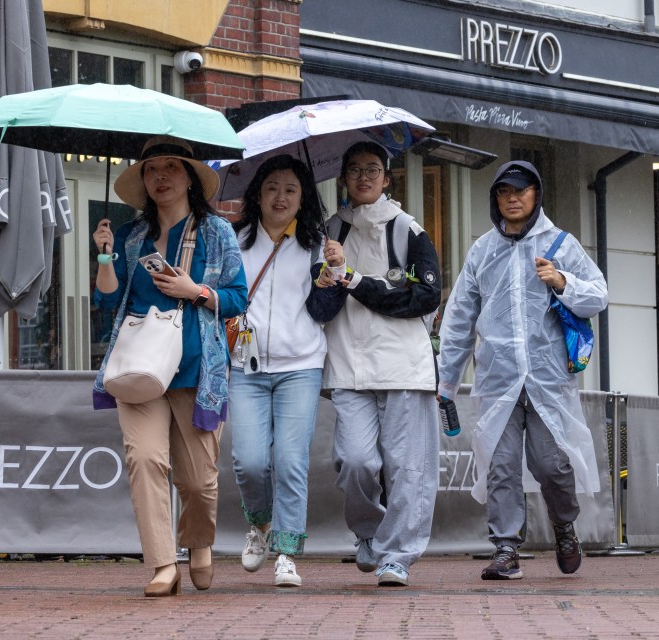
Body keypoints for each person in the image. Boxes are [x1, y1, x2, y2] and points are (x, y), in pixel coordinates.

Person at [436, 160, 608, 581]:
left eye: (521, 190)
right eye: (503, 192)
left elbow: (598, 295)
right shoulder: (482, 250)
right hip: (497, 380)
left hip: (548, 380)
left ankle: (564, 525)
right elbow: (459, 317)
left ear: (536, 194)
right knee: (500, 463)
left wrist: (563, 281)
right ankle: (506, 547)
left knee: (551, 464)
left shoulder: (561, 244)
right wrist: (446, 380)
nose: (512, 198)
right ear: (495, 199)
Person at [91, 135, 247, 597]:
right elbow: (108, 304)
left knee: (198, 480)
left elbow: (238, 297)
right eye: (151, 169)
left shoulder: (217, 231)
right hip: (139, 362)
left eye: (171, 168)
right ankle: (162, 563)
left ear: (189, 177)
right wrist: (103, 255)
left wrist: (194, 290)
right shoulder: (128, 235)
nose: (160, 177)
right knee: (143, 459)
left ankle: (197, 541)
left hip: (197, 366)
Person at [307, 141, 442, 588]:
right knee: (356, 460)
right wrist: (328, 282)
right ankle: (368, 533)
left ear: (387, 178)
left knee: (407, 467)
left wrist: (354, 279)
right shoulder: (329, 233)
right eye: (354, 169)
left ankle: (397, 555)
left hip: (404, 365)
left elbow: (424, 297)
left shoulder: (408, 230)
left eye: (372, 170)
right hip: (348, 365)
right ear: (343, 179)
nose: (363, 177)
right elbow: (319, 309)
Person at [229, 154, 328, 588]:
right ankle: (261, 526)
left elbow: (326, 310)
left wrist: (335, 275)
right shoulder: (235, 239)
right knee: (249, 461)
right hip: (243, 366)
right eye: (272, 188)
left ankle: (286, 553)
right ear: (257, 194)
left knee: (290, 461)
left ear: (303, 195)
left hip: (300, 365)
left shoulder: (318, 245)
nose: (281, 196)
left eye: (290, 188)